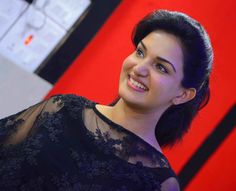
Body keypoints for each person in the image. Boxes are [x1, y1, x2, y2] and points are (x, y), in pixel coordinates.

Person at [0, 10, 213, 191]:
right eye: (140, 52)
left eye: (161, 67)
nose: (139, 69)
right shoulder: (61, 109)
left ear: (182, 94)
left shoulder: (160, 184)